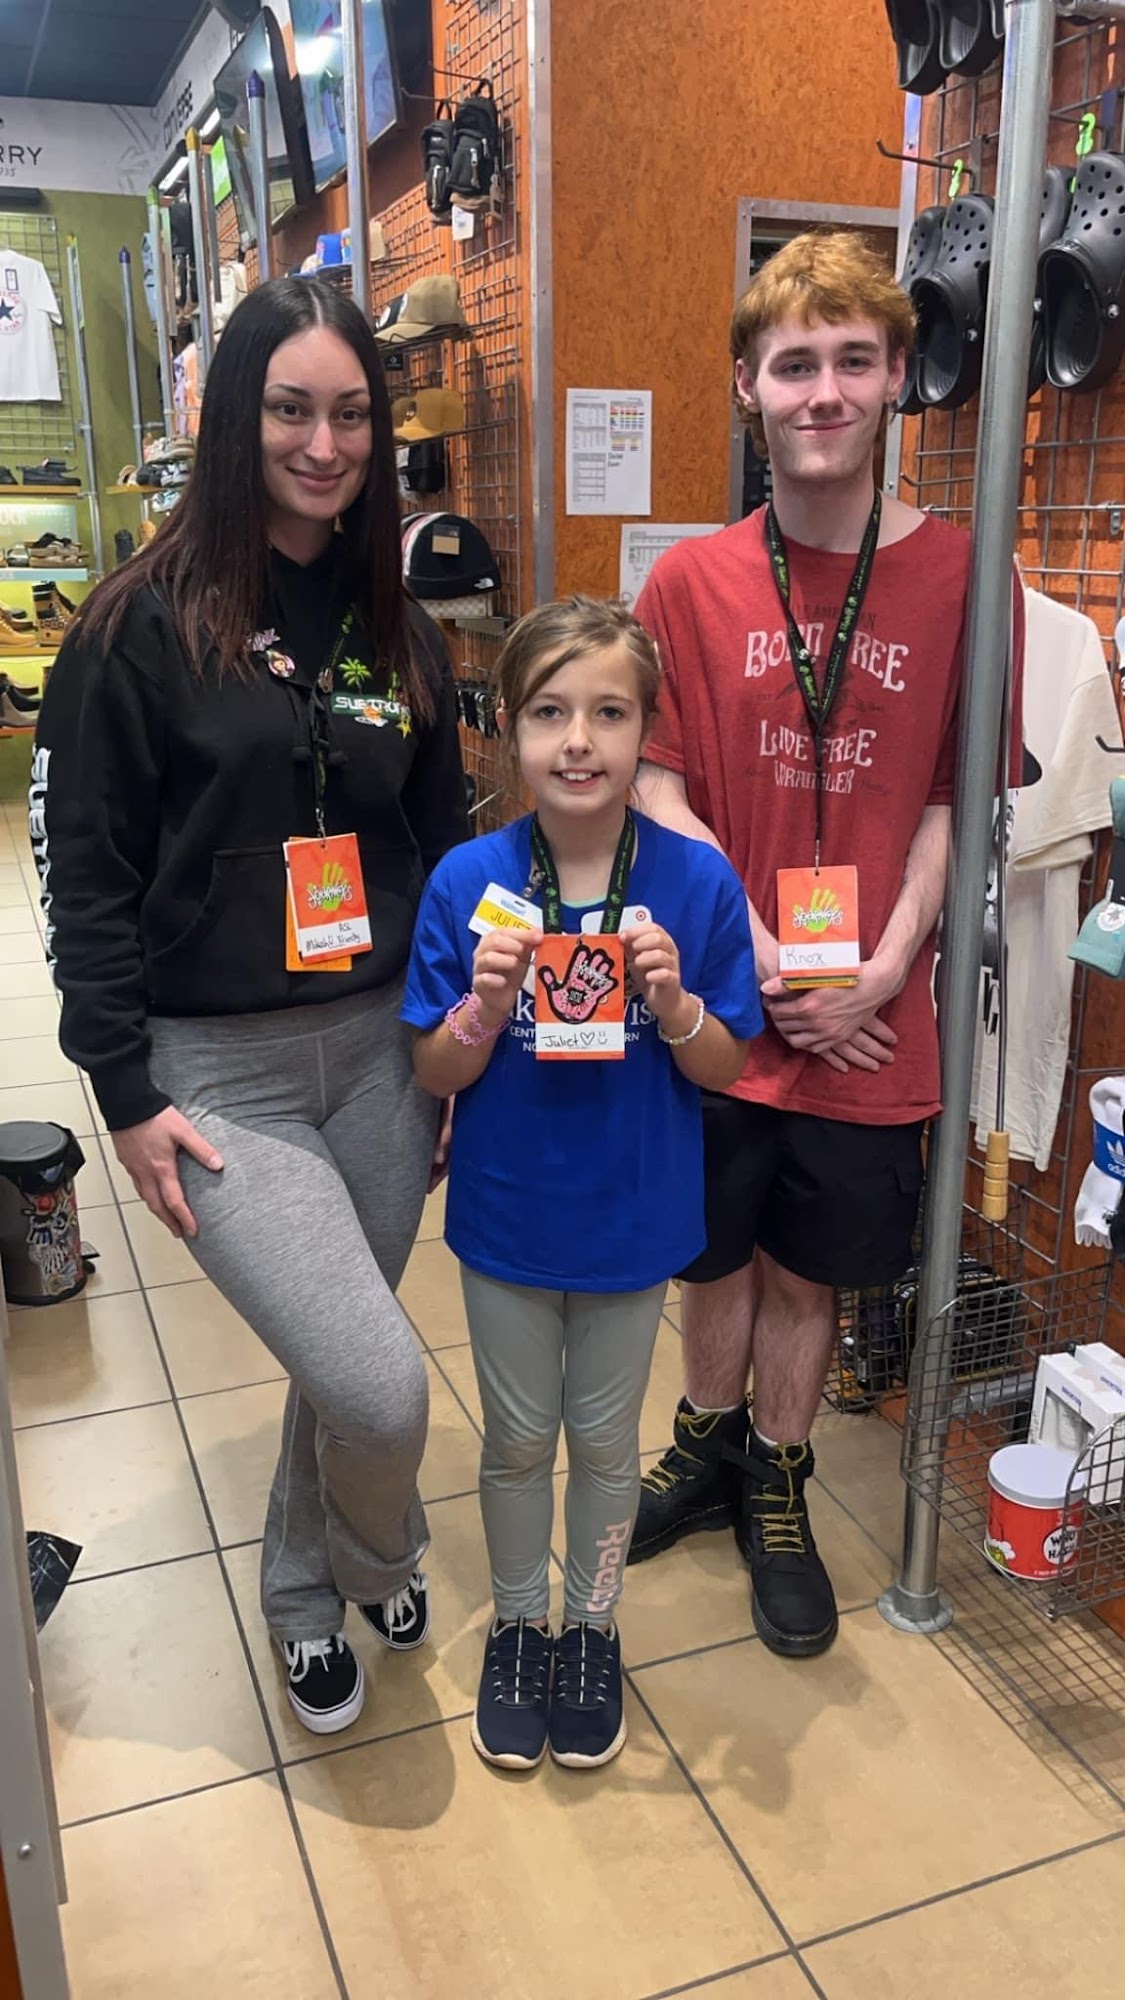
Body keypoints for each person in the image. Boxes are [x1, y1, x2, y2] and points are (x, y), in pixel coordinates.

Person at [30, 277, 469, 1735]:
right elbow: (84, 875)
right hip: (217, 1077)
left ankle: (301, 1588)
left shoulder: (398, 628)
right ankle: (377, 1552)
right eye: (290, 408)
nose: (323, 444)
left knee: (334, 1356)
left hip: (384, 1057)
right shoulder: (136, 627)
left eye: (350, 414)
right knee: (380, 1384)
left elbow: (441, 848)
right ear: (236, 416)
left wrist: (450, 1051)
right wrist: (123, 1090)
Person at [628, 231, 1023, 1659]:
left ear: (897, 376)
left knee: (808, 1269)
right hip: (725, 1011)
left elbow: (955, 801)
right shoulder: (687, 585)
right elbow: (659, 788)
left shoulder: (969, 578)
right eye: (794, 364)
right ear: (747, 383)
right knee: (711, 1254)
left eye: (854, 360)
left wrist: (885, 965)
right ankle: (705, 1443)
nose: (824, 392)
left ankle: (777, 1479)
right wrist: (758, 961)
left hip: (870, 1017)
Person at [402, 597, 761, 1769]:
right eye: (549, 711)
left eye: (609, 712)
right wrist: (484, 1003)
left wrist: (677, 1002)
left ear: (647, 729)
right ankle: (520, 1625)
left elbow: (727, 1064)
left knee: (607, 1444)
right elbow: (435, 1065)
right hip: (507, 1216)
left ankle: (592, 1628)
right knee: (516, 1438)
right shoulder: (469, 878)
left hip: (633, 1221)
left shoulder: (696, 883)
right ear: (509, 726)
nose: (577, 740)